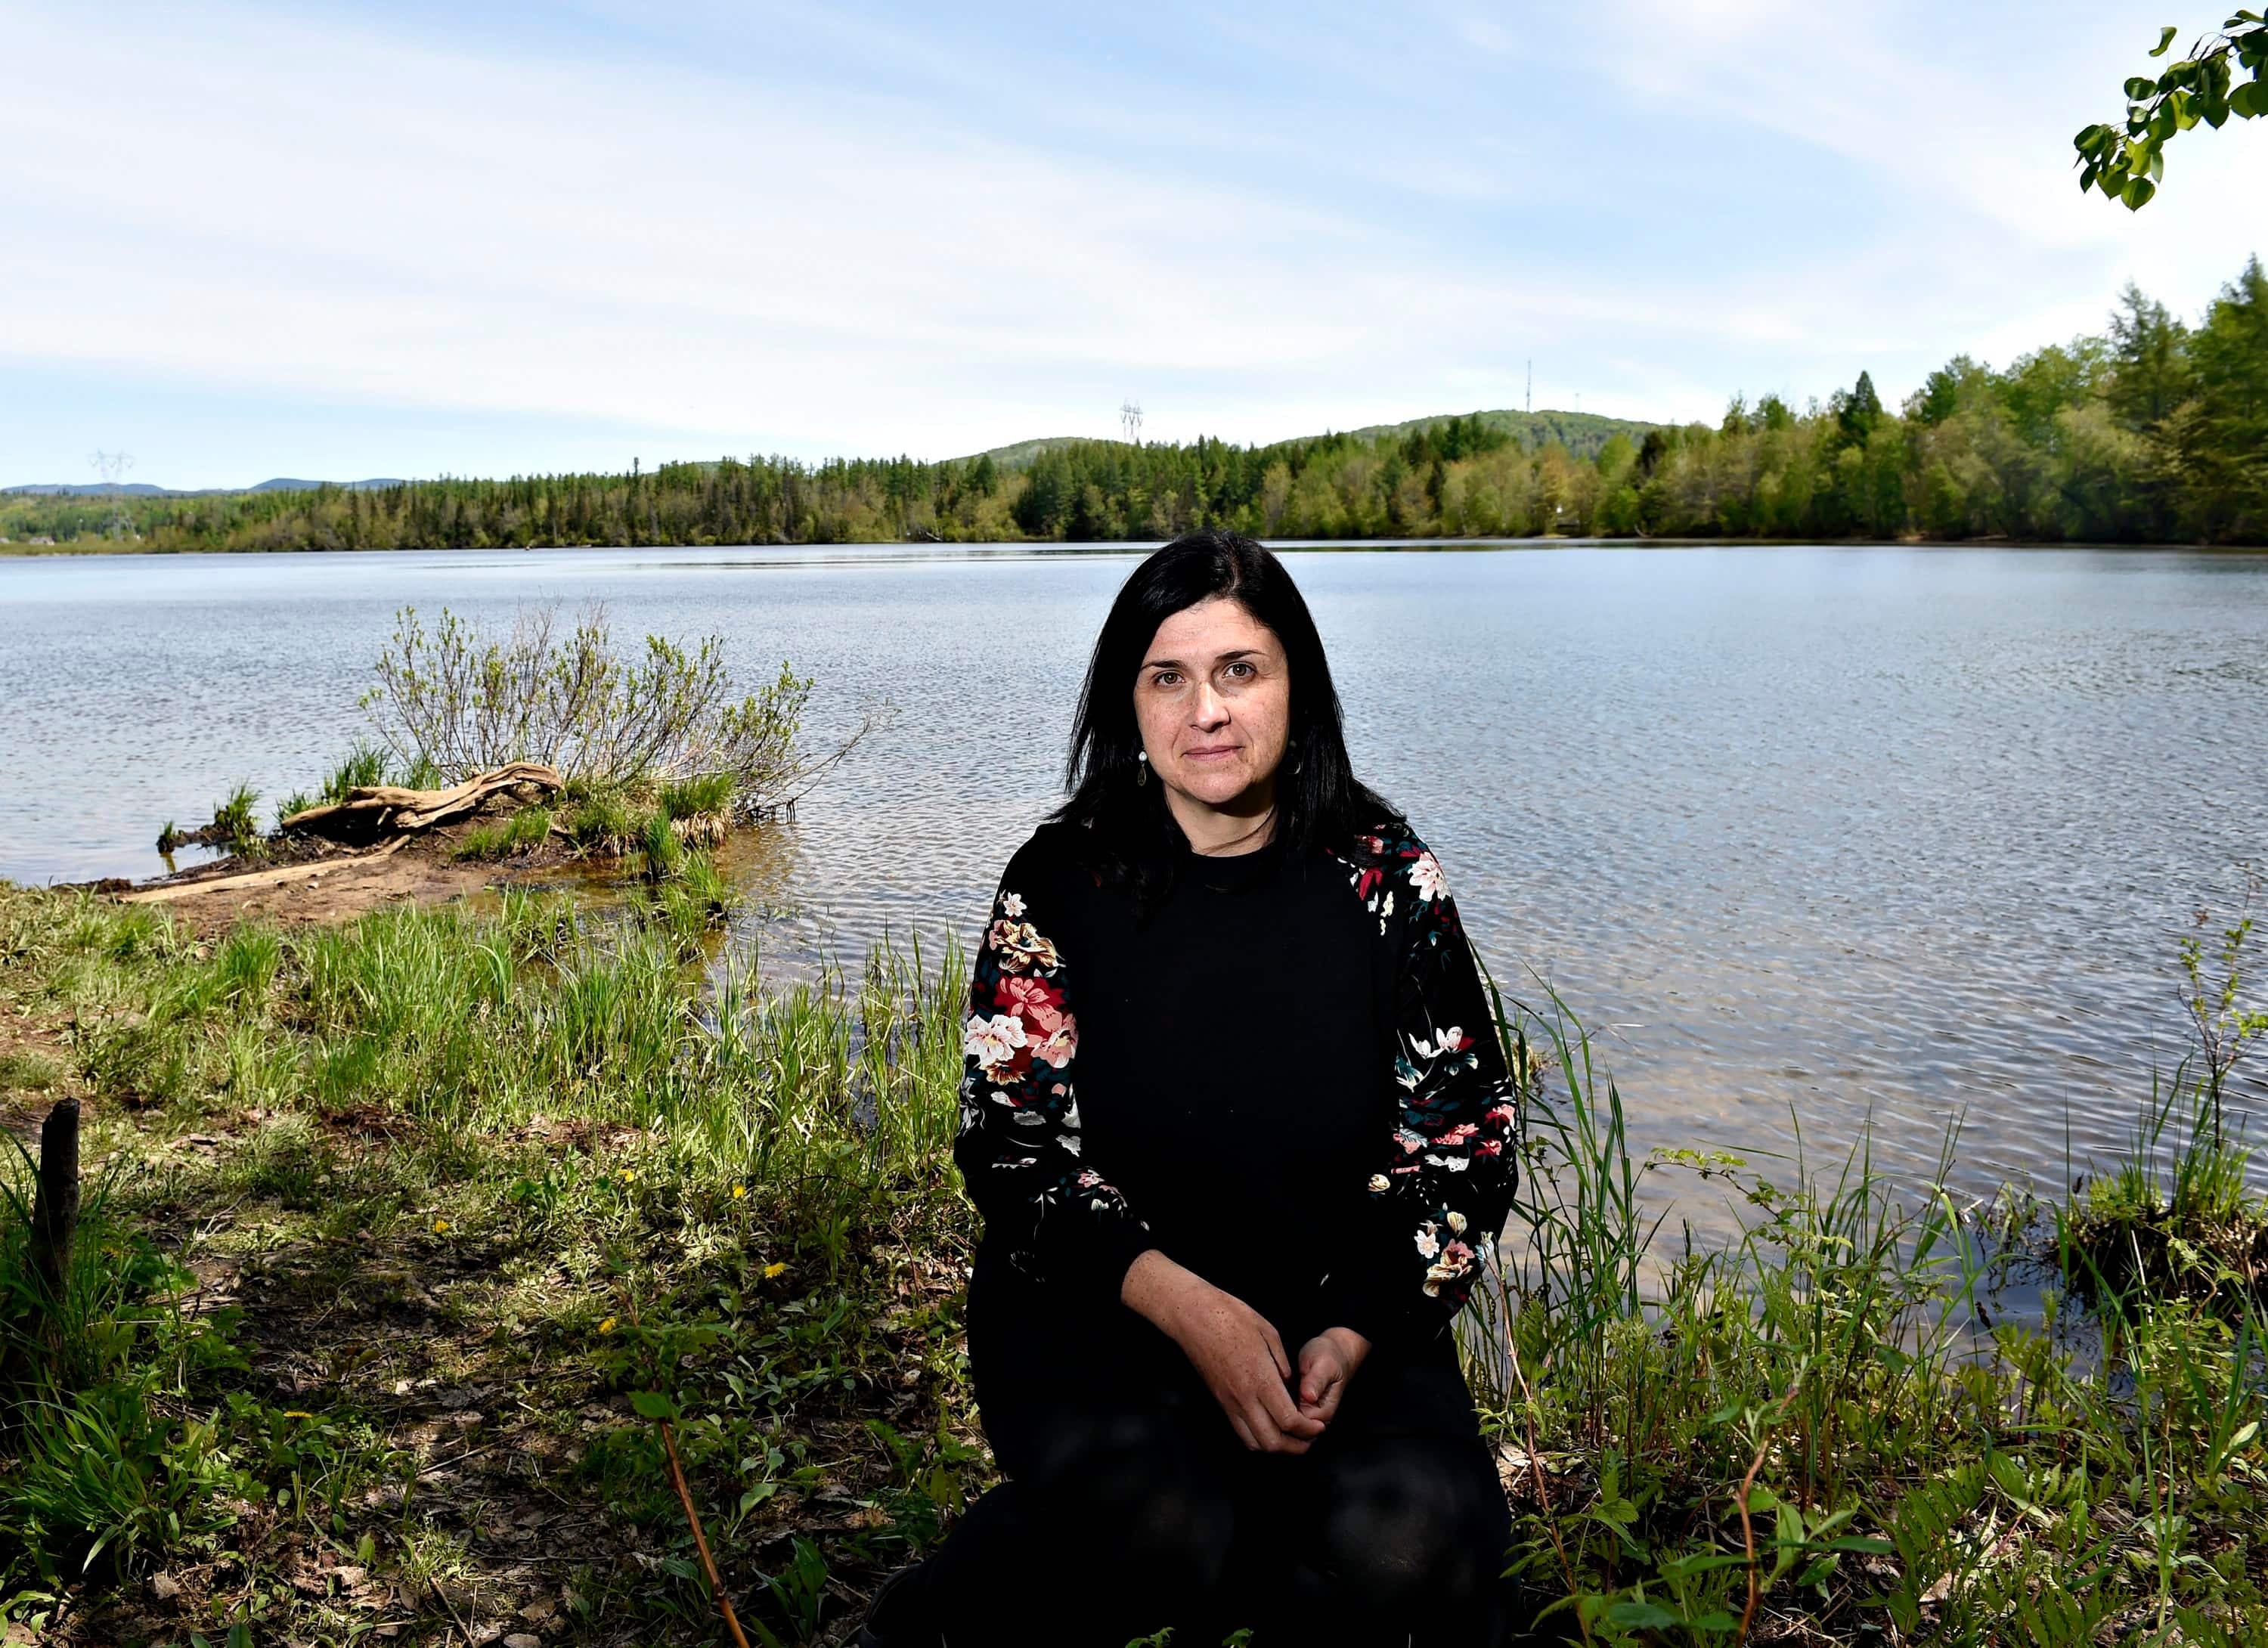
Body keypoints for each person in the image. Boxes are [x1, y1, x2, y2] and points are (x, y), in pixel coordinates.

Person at [859, 529, 1519, 1647]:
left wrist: (1356, 1329)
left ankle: (1274, 1573)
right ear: (1130, 701)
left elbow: (1465, 1147)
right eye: (1168, 676)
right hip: (1103, 1309)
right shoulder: (1062, 879)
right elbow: (1011, 1150)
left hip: (1334, 1310)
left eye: (1238, 671)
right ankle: (932, 1619)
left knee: (1413, 1550)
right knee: (1170, 1529)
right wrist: (1189, 1308)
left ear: (1295, 687)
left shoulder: (1385, 878)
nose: (1205, 711)